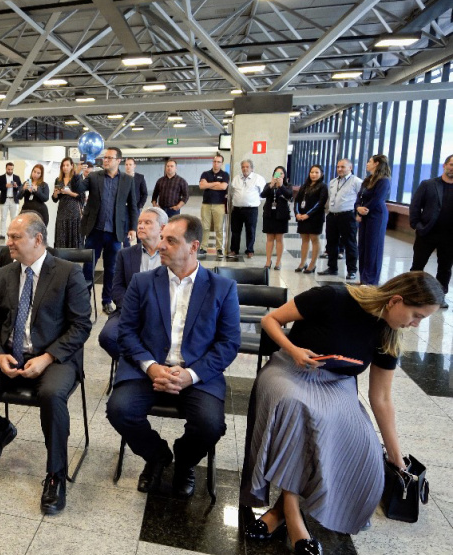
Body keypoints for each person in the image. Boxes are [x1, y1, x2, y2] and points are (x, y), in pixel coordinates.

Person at [240, 272, 443, 552]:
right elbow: (270, 320)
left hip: (336, 385)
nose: (415, 324)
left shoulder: (388, 335)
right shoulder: (333, 297)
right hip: (289, 369)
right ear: (396, 300)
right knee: (297, 409)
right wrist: (294, 349)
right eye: (416, 315)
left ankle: (281, 509)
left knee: (365, 442)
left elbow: (381, 398)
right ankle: (292, 515)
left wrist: (397, 458)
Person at [0, 213, 92, 515]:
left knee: (52, 396)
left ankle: (55, 475)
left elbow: (81, 326)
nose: (9, 242)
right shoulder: (5, 274)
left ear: (38, 240)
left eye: (16, 237)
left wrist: (47, 357)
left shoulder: (68, 273)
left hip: (54, 357)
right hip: (11, 355)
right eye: (10, 237)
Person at [108, 215, 240, 498]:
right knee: (119, 409)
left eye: (171, 240)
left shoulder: (222, 288)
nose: (161, 244)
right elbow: (126, 333)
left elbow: (228, 343)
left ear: (193, 247)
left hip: (197, 373)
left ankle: (184, 460)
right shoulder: (142, 282)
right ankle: (157, 457)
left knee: (210, 425)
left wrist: (190, 375)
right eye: (163, 237)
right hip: (148, 370)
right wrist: (151, 367)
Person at [98, 207, 168, 361]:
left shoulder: (169, 254)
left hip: (163, 313)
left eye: (147, 223)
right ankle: (138, 366)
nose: (141, 226)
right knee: (108, 336)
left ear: (162, 228)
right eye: (139, 223)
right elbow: (116, 289)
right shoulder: (125, 254)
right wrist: (135, 308)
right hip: (129, 310)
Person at [80, 147, 139, 314]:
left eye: (109, 158)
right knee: (88, 267)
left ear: (118, 160)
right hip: (95, 231)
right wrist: (79, 174)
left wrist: (133, 228)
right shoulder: (93, 176)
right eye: (104, 158)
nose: (105, 160)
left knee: (111, 269)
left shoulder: (127, 180)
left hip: (115, 233)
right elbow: (78, 187)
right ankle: (84, 301)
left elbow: (133, 207)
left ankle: (107, 300)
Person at [409, 154, 453, 309]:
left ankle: (439, 297)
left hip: (449, 237)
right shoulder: (428, 184)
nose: (452, 168)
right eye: (451, 164)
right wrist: (417, 225)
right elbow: (415, 206)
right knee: (418, 265)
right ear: (445, 165)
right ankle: (412, 294)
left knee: (445, 268)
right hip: (427, 233)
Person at [320, 159, 362, 280]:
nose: (339, 169)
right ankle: (332, 267)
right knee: (331, 243)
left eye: (343, 167)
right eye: (338, 167)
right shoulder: (333, 182)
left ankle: (352, 270)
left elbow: (362, 198)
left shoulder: (356, 182)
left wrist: (359, 213)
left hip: (348, 216)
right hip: (333, 215)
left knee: (350, 243)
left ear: (350, 167)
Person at [356, 154, 391, 285]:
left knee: (373, 248)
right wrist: (358, 207)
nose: (367, 163)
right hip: (364, 214)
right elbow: (359, 196)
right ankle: (363, 277)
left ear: (376, 163)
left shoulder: (384, 180)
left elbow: (377, 199)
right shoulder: (367, 180)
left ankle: (371, 280)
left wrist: (364, 209)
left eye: (369, 161)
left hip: (376, 216)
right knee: (363, 247)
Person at [227, 159, 266, 259]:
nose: (245, 169)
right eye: (243, 167)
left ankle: (250, 250)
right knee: (235, 231)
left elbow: (263, 194)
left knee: (250, 231)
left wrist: (253, 200)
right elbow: (232, 192)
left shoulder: (258, 178)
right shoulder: (236, 178)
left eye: (247, 167)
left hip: (251, 210)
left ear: (252, 168)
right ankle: (234, 250)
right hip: (237, 209)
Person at [295, 165, 329, 274]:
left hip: (315, 217)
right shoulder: (305, 186)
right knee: (304, 239)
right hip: (302, 217)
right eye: (312, 172)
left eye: (316, 172)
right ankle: (302, 262)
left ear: (321, 174)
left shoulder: (323, 186)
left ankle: (312, 264)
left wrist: (308, 214)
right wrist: (297, 213)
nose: (313, 174)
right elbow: (297, 200)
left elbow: (320, 203)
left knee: (314, 239)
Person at [260, 166, 293, 271]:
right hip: (269, 214)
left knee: (279, 239)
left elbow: (289, 195)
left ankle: (278, 261)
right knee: (269, 238)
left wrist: (281, 186)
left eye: (281, 174)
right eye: (276, 174)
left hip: (281, 215)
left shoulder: (288, 186)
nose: (278, 176)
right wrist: (271, 185)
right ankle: (268, 261)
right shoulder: (269, 185)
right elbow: (263, 194)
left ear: (284, 175)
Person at [198, 154, 229, 257]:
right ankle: (203, 248)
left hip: (219, 205)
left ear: (221, 163)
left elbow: (223, 187)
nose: (216, 163)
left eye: (218, 162)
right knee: (205, 227)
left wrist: (209, 185)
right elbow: (202, 185)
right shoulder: (205, 173)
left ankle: (219, 248)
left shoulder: (225, 175)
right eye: (215, 161)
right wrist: (216, 183)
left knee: (219, 228)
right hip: (206, 204)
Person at [52, 157, 86, 249]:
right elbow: (55, 199)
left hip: (74, 211)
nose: (65, 167)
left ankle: (74, 258)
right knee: (62, 235)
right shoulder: (58, 180)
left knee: (74, 236)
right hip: (62, 211)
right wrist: (56, 193)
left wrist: (69, 193)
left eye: (67, 165)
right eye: (63, 165)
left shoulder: (77, 179)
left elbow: (81, 197)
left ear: (72, 166)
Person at [0, 162, 22, 241]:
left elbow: (20, 188)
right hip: (4, 199)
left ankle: (13, 234)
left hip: (14, 200)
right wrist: (5, 186)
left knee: (14, 218)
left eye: (11, 169)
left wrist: (16, 186)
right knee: (3, 218)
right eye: (8, 169)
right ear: (6, 169)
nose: (10, 171)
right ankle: (2, 234)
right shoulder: (1, 177)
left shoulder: (17, 177)